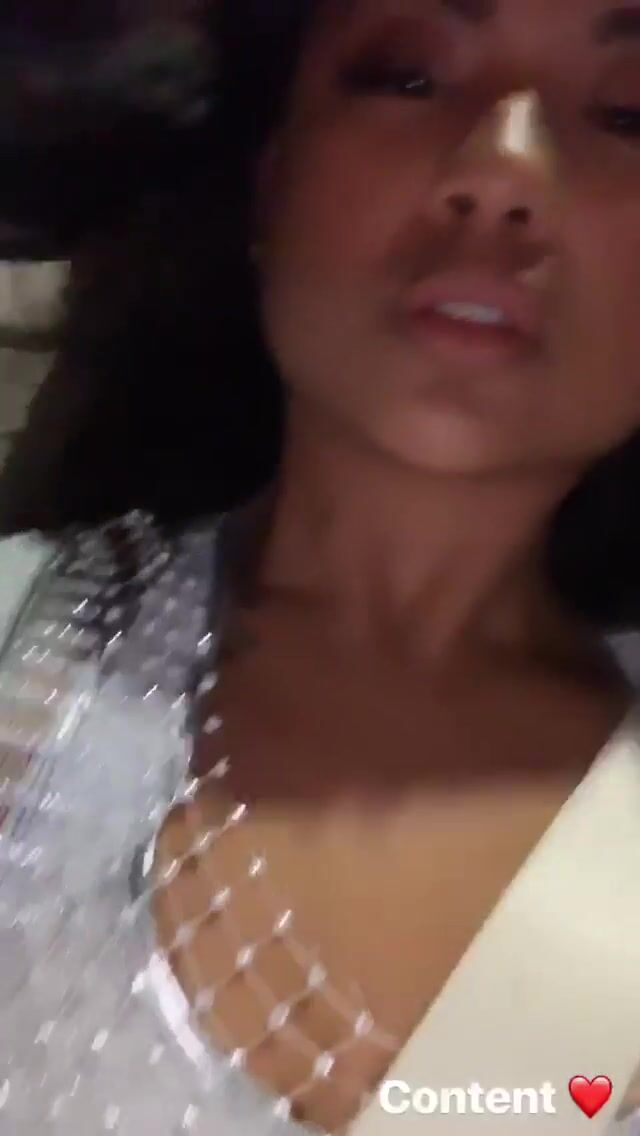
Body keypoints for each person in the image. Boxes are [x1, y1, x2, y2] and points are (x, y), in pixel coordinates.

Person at [1, 0, 640, 1132]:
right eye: (407, 76)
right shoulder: (24, 648)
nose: (504, 166)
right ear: (270, 180)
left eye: (629, 113)